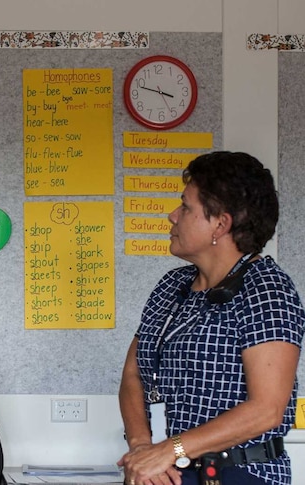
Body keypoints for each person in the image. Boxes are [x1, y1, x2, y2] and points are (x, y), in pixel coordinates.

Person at [117, 151, 305, 485]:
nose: (172, 216)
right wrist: (143, 447)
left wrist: (167, 451)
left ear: (221, 223)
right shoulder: (171, 286)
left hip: (243, 474)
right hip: (174, 471)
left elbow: (267, 409)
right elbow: (134, 374)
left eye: (186, 207)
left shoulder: (267, 289)